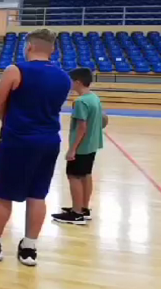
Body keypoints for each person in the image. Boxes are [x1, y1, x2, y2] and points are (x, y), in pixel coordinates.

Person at [0, 28, 71, 267]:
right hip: (49, 140)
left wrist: (12, 124)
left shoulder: (15, 70)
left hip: (18, 140)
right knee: (37, 195)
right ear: (52, 49)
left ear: (28, 46)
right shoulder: (64, 77)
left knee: (3, 194)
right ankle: (29, 248)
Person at [51, 67, 104, 225]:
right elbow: (102, 119)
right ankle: (83, 208)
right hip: (92, 145)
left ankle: (76, 213)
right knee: (86, 175)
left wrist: (72, 149)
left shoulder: (81, 102)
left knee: (73, 176)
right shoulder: (94, 98)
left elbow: (82, 127)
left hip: (81, 146)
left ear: (78, 82)